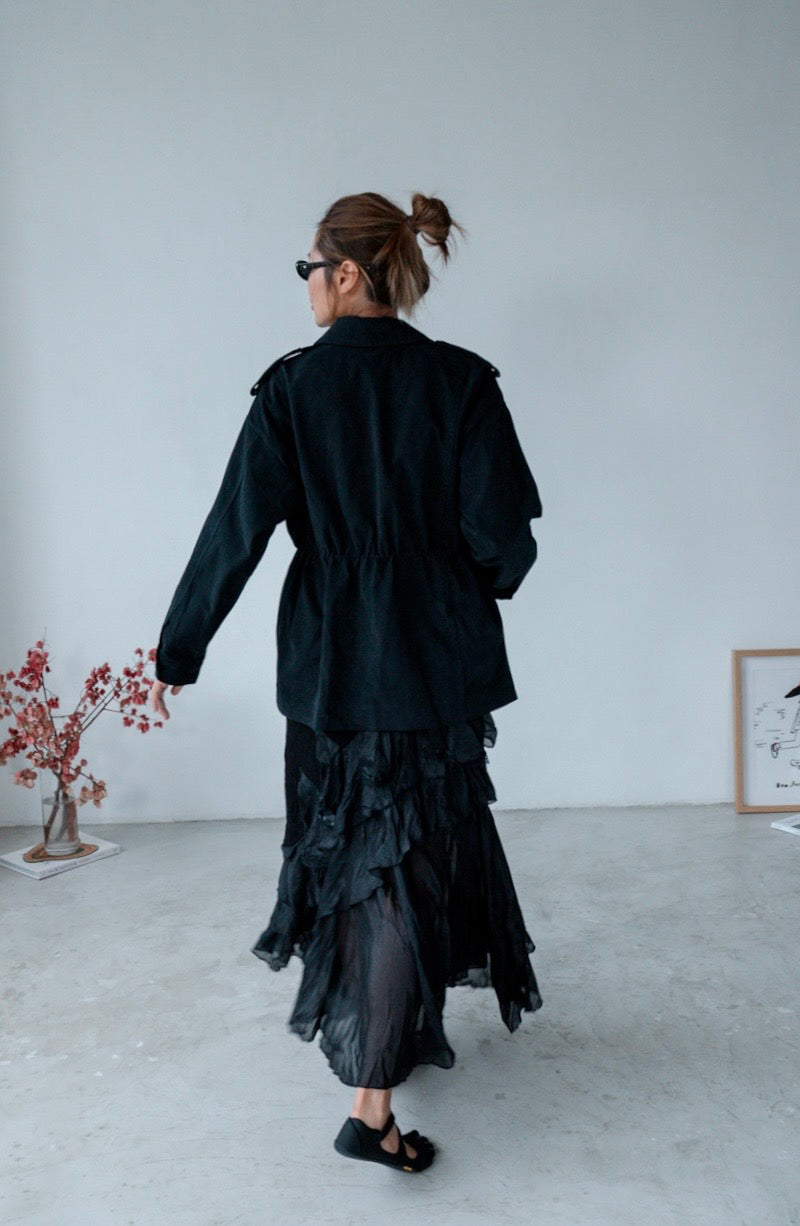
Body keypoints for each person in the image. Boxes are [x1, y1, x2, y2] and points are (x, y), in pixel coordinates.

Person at [150, 190, 544, 1173]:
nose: (306, 288)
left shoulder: (293, 389)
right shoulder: (461, 382)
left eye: (309, 269)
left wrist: (178, 649)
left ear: (348, 272)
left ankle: (377, 1077)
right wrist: (455, 578)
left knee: (366, 864)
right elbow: (504, 542)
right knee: (410, 857)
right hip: (434, 663)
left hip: (331, 666)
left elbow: (233, 531)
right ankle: (372, 1102)